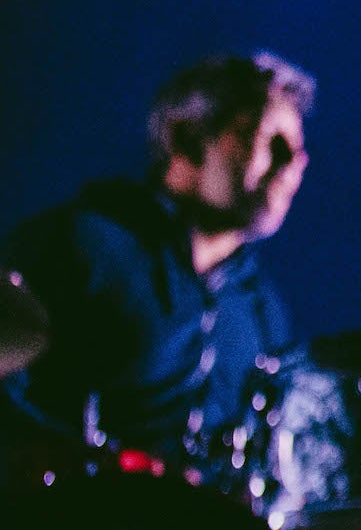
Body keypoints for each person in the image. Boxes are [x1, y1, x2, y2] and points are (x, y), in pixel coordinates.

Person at [3, 52, 311, 468]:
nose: (292, 164)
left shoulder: (265, 314)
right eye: (267, 138)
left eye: (298, 148)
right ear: (186, 139)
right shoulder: (81, 244)